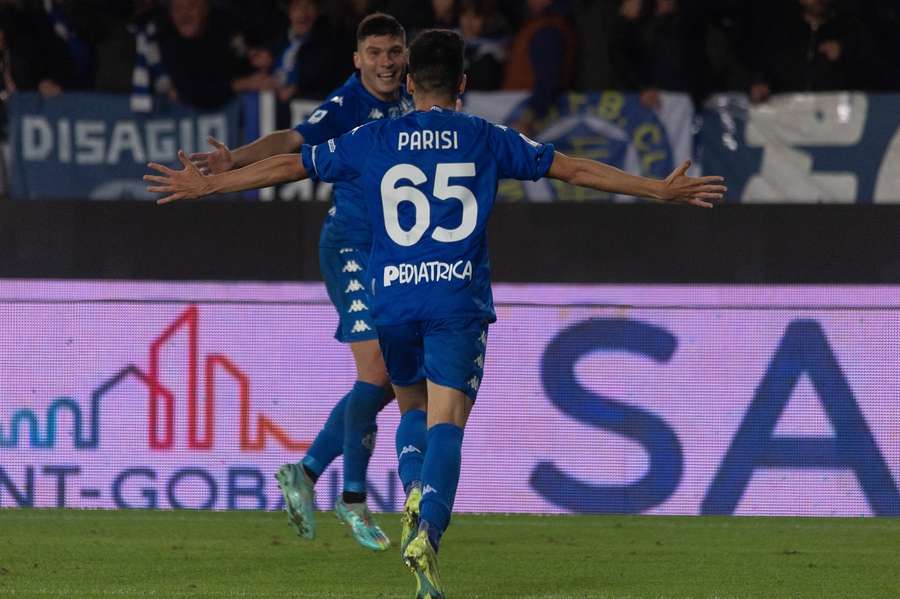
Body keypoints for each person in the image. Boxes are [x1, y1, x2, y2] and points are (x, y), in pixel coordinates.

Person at [145, 29, 725, 598]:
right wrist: (656, 190)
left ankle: (410, 488)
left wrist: (211, 185)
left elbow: (290, 165)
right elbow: (574, 169)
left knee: (410, 409)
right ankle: (427, 527)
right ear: (463, 83)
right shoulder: (486, 137)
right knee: (448, 419)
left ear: (410, 81)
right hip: (456, 301)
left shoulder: (372, 138)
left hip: (392, 299)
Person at [188, 12, 414, 552]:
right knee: (379, 370)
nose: (385, 62)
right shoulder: (347, 105)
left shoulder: (411, 98)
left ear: (405, 56)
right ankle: (353, 499)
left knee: (388, 383)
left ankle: (306, 473)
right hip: (352, 249)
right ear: (357, 59)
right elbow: (291, 139)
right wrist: (234, 160)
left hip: (394, 255)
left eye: (394, 52)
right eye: (375, 53)